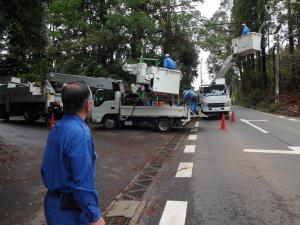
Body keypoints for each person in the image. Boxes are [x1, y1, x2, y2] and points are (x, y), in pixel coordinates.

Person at [41, 81, 105, 225]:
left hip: (53, 205)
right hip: (71, 212)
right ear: (88, 105)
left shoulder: (58, 127)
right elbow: (82, 181)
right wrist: (95, 217)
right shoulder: (81, 134)